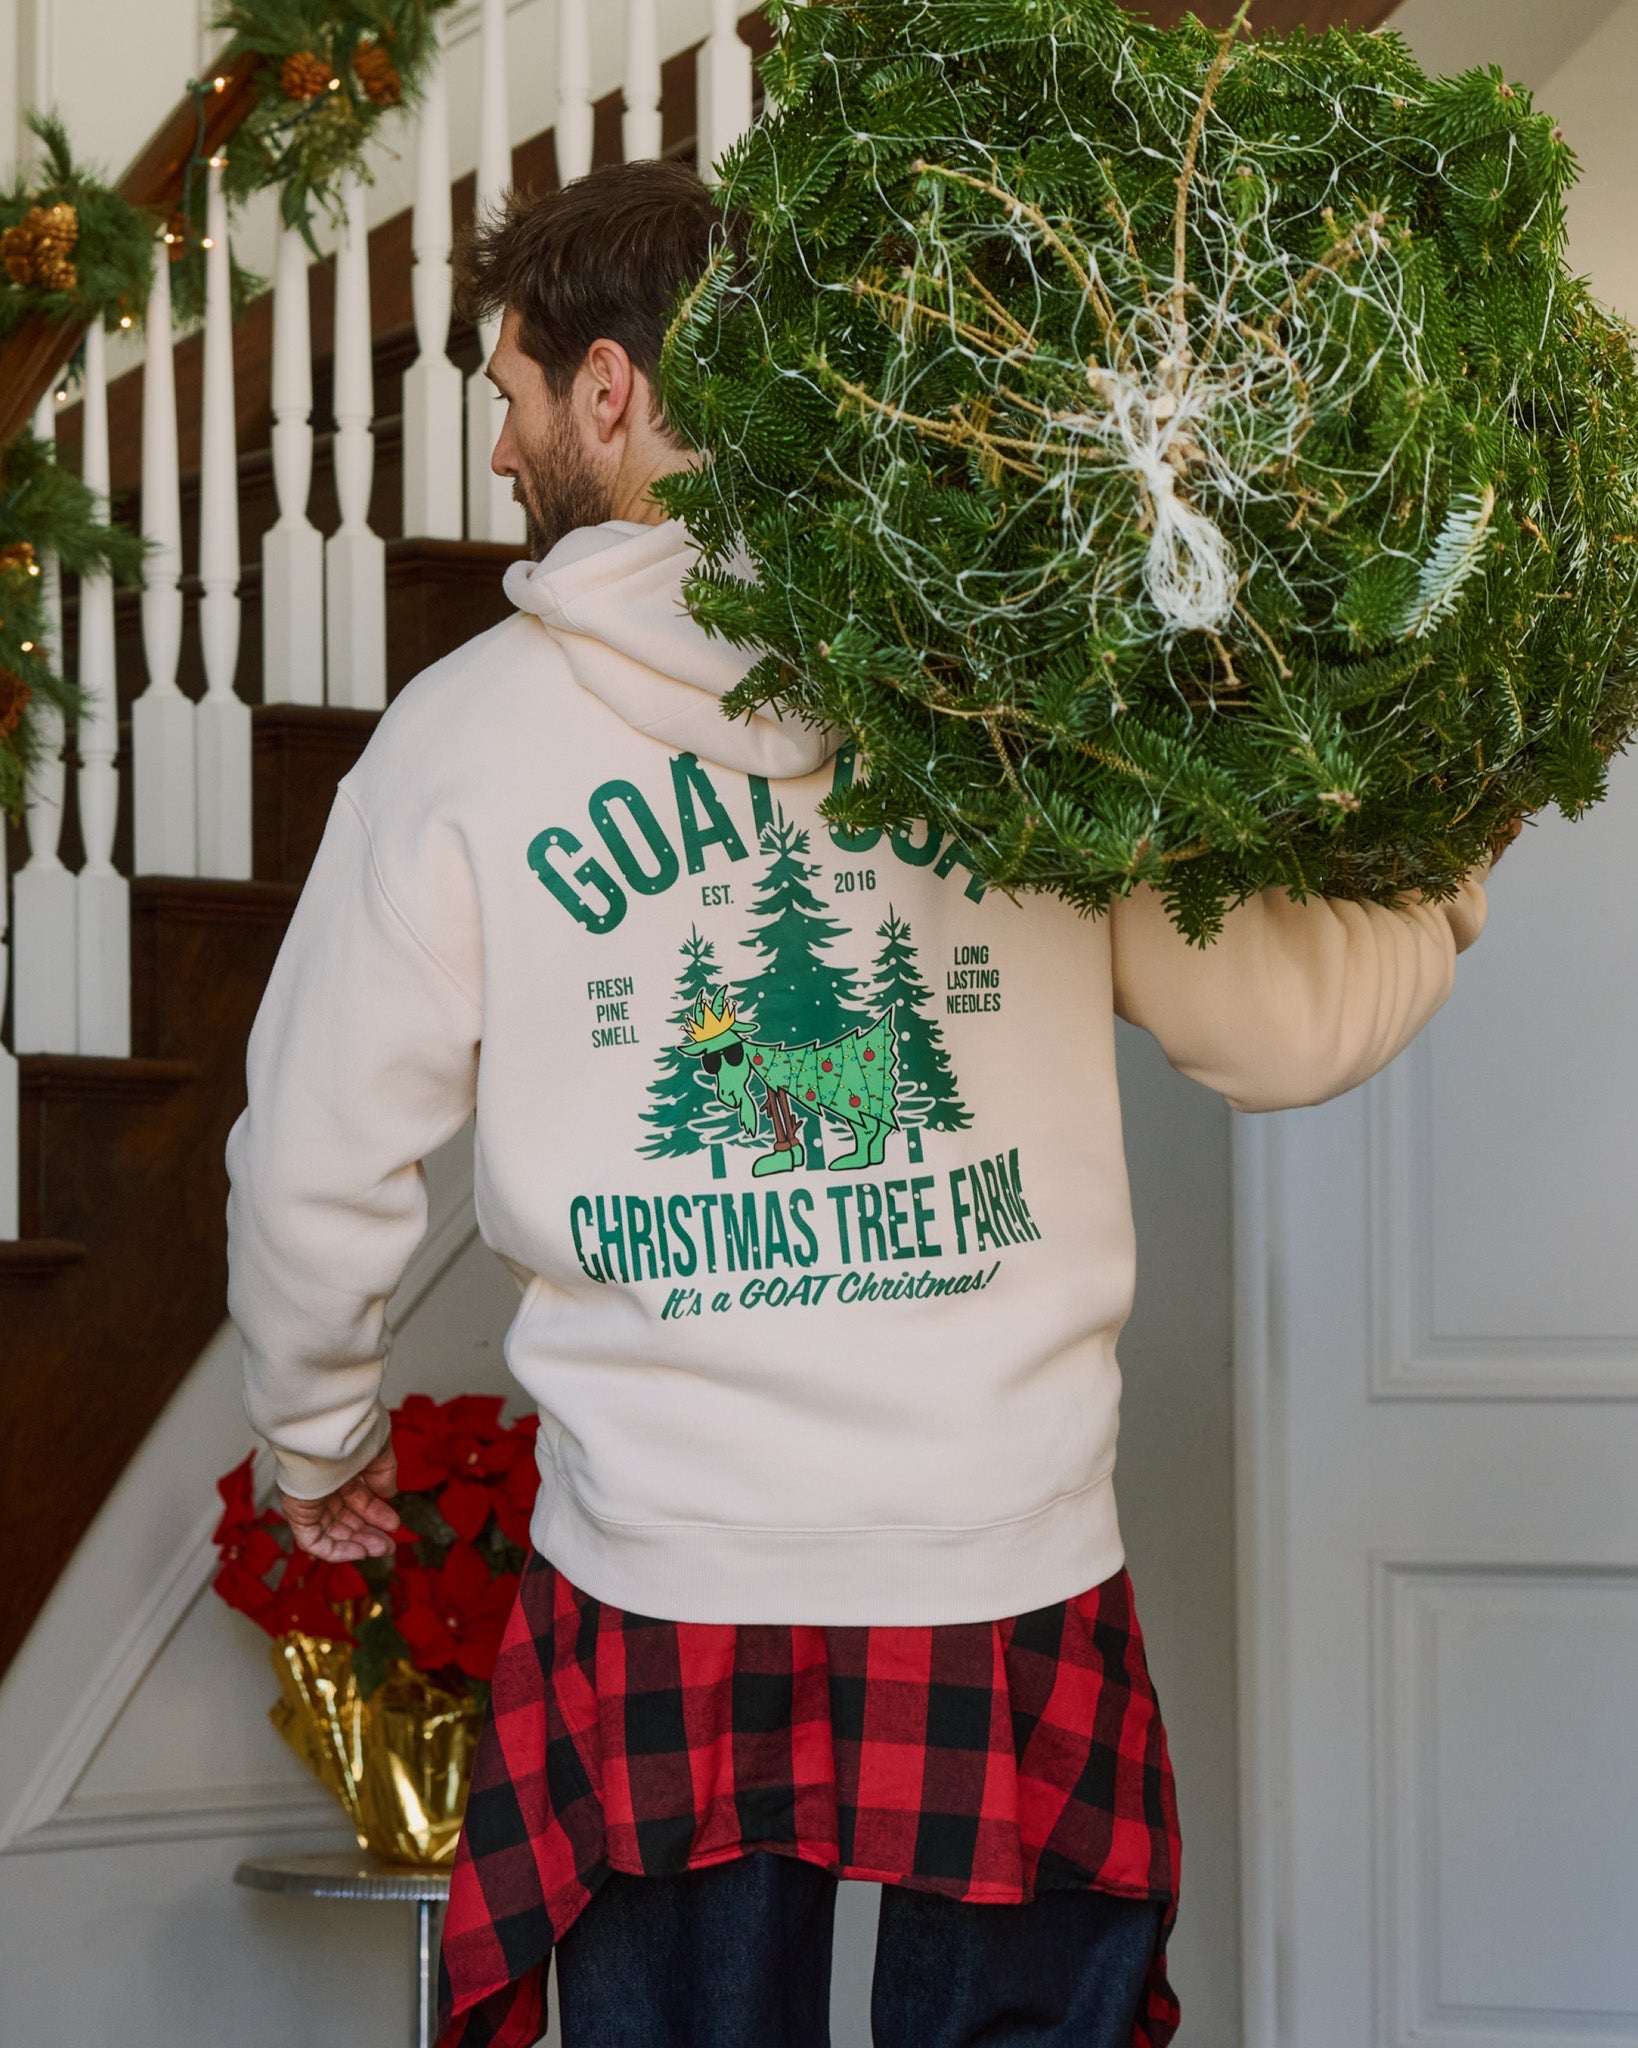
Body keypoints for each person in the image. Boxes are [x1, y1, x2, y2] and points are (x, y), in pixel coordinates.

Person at [225, 158, 1493, 2048]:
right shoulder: (1011, 694)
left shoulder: (459, 740)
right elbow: (1280, 1027)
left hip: (658, 1569)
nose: (496, 451)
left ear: (606, 390)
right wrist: (1447, 859)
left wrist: (316, 1432)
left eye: (507, 393)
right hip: (999, 1553)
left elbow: (316, 1152)